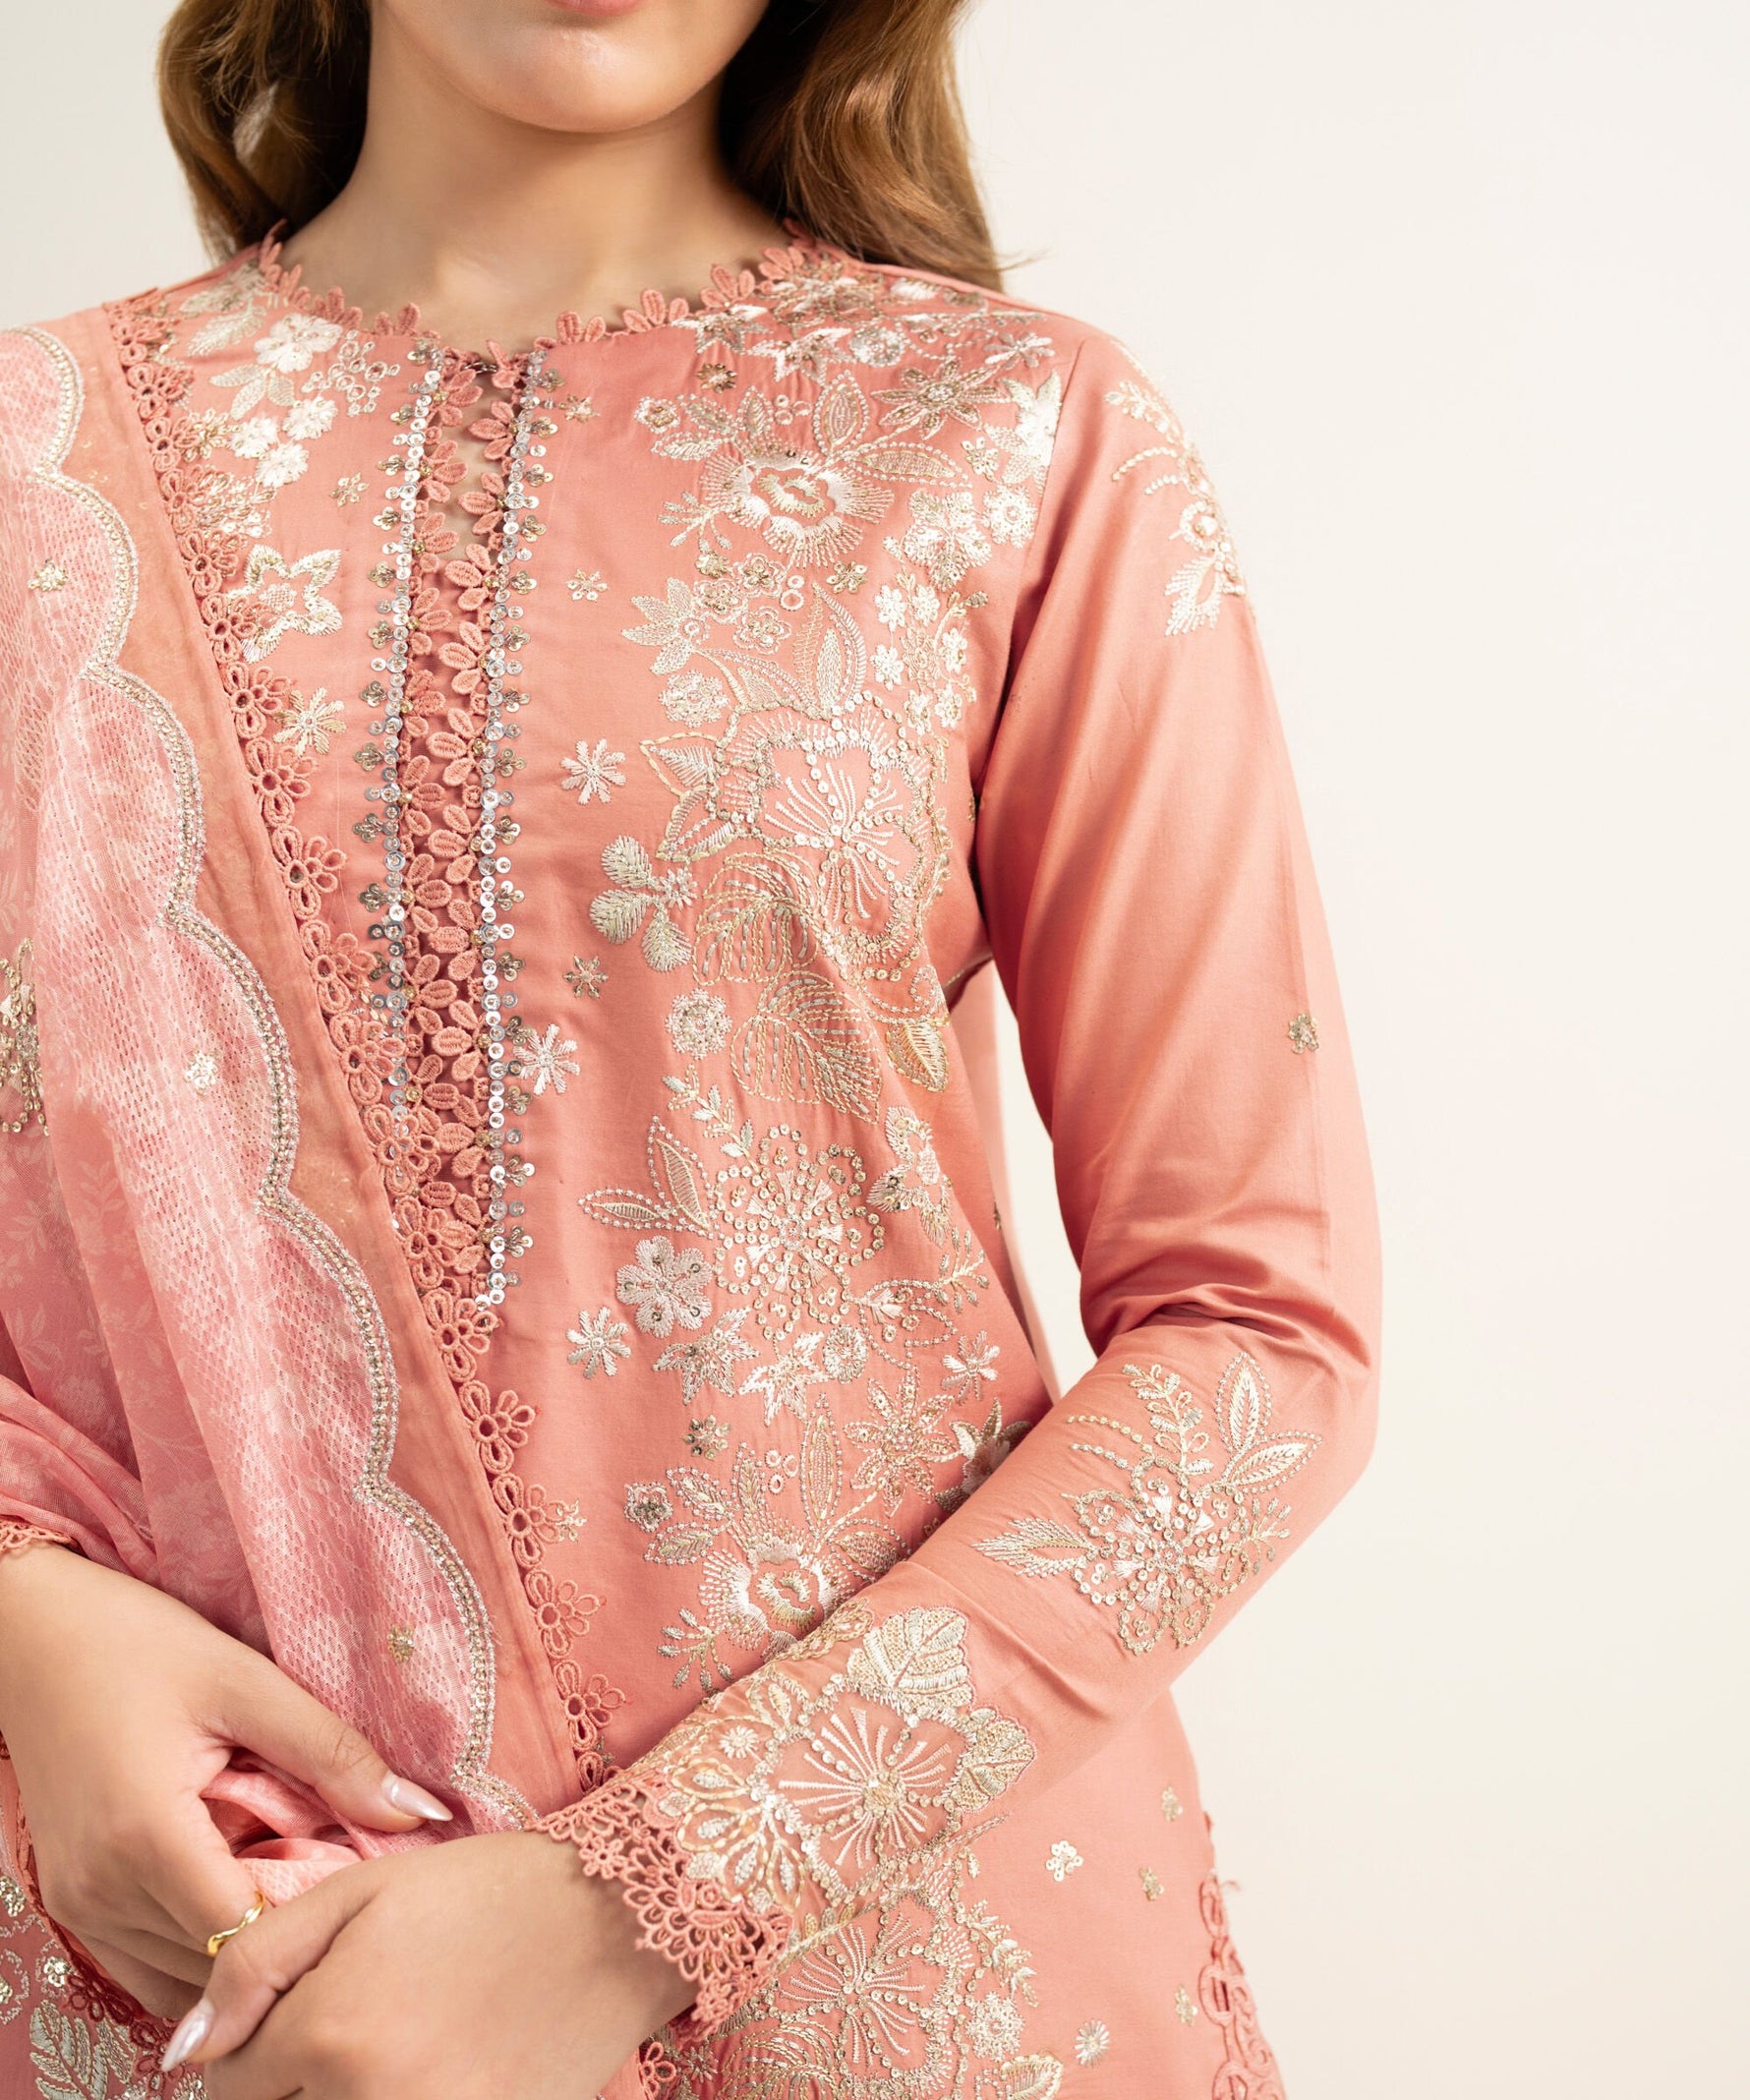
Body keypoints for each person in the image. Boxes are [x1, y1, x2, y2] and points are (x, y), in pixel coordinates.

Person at [0, 2, 1381, 2094]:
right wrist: (26, 1621)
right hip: (209, 1957)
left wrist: (629, 1907)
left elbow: (1257, 1339)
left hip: (900, 1972)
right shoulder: (34, 477)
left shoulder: (1007, 438)